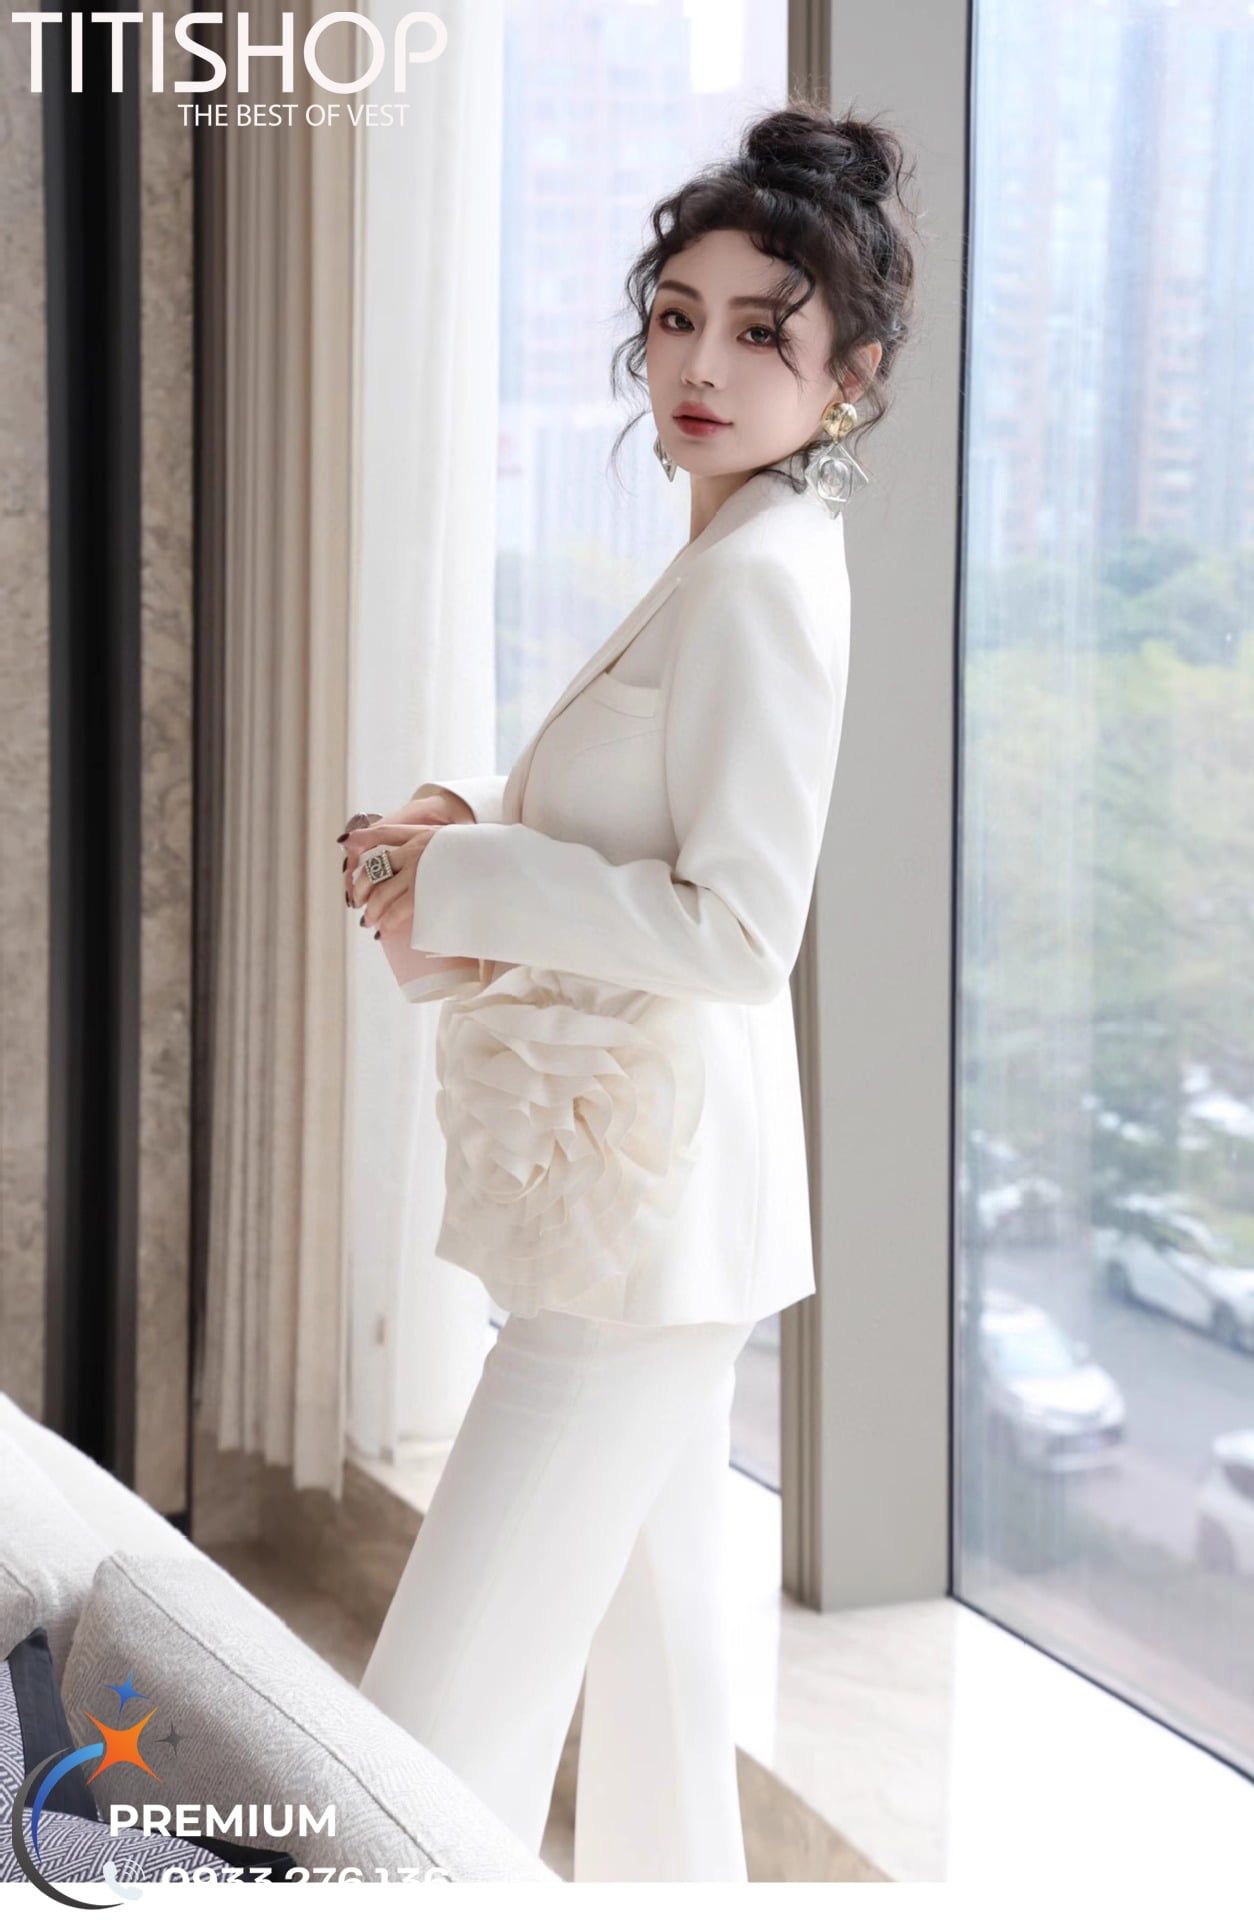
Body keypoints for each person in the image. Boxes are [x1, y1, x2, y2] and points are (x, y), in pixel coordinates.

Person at [341, 99, 915, 1882]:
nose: (700, 365)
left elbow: (739, 933)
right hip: (655, 1211)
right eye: (676, 317)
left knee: (432, 1722)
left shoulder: (762, 583)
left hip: (646, 1224)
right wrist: (473, 816)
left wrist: (461, 880)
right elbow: (645, 823)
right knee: (658, 1690)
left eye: (761, 333)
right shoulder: (730, 550)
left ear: (849, 378)